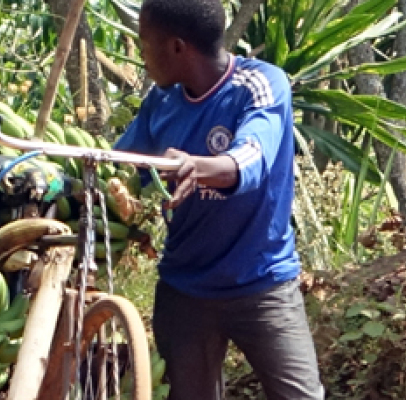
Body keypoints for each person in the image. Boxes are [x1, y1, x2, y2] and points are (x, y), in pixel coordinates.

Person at [111, 0, 326, 398]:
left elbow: (252, 157)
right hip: (185, 291)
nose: (141, 54)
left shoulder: (261, 84)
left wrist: (195, 166)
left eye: (144, 43)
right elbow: (122, 165)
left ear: (177, 47)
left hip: (262, 283)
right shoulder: (161, 102)